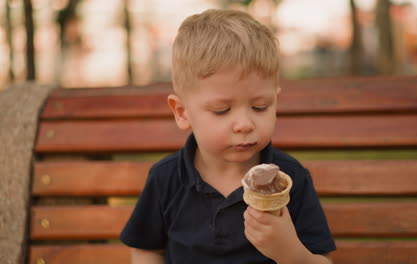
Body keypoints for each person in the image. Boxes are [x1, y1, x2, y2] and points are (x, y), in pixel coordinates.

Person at [120, 9, 336, 264]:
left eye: (260, 107)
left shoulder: (290, 178)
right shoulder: (166, 179)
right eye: (221, 110)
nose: (245, 124)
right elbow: (146, 249)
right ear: (182, 112)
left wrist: (290, 252)